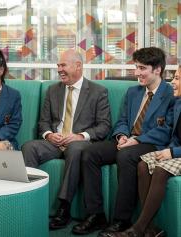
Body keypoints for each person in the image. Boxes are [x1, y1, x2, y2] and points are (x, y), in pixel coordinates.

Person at [72, 47, 175, 236]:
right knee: (89, 153)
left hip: (151, 143)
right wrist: (121, 136)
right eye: (136, 67)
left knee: (126, 156)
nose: (137, 73)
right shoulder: (133, 92)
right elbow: (122, 121)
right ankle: (95, 215)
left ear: (157, 69)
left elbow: (166, 130)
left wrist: (136, 141)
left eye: (142, 68)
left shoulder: (170, 93)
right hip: (127, 140)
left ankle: (121, 220)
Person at [22, 48, 111, 230]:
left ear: (78, 66)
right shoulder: (52, 90)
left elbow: (104, 126)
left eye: (63, 65)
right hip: (54, 143)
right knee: (29, 147)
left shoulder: (98, 91)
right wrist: (49, 134)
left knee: (76, 148)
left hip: (79, 144)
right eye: (58, 65)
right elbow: (44, 122)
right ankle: (29, 201)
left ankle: (64, 207)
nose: (59, 69)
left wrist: (79, 136)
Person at [110, 65, 181, 237]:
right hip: (175, 150)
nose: (173, 82)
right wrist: (169, 149)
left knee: (160, 169)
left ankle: (138, 229)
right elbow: (172, 132)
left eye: (178, 78)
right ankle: (150, 229)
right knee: (142, 165)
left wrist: (172, 153)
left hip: (178, 154)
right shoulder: (178, 103)